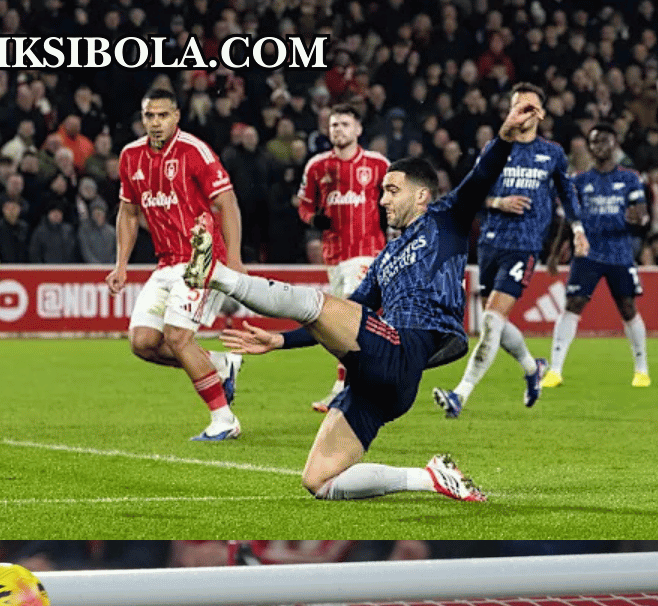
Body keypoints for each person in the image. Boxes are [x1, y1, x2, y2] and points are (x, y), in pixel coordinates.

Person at [199, 96, 543, 502]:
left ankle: (218, 274)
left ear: (421, 196)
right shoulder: (387, 257)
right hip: (380, 379)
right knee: (319, 481)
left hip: (404, 350)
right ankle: (428, 477)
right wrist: (281, 341)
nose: (382, 200)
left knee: (318, 303)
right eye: (381, 192)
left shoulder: (446, 220)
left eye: (392, 191)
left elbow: (482, 175)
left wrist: (504, 134)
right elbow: (349, 314)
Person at [432, 82, 588, 419]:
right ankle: (533, 369)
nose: (523, 113)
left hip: (524, 246)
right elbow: (472, 194)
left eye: (531, 107)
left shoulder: (552, 153)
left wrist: (577, 230)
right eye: (518, 106)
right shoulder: (496, 147)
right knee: (496, 323)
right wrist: (498, 202)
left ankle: (460, 394)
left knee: (491, 321)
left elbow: (567, 193)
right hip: (490, 244)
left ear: (541, 113)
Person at [108, 86, 246, 443]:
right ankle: (220, 364)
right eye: (149, 116)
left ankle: (223, 419)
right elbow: (127, 211)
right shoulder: (130, 156)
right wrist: (120, 264)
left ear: (176, 117)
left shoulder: (194, 151)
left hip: (202, 257)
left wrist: (233, 259)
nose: (155, 123)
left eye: (163, 115)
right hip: (166, 262)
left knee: (178, 337)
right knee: (142, 342)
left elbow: (227, 203)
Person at [543, 122, 651, 388]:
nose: (597, 147)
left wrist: (640, 218)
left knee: (627, 308)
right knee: (573, 304)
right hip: (587, 252)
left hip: (619, 252)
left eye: (602, 141)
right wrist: (555, 253)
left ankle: (641, 370)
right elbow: (567, 219)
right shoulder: (579, 180)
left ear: (614, 143)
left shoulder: (629, 178)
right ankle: (555, 371)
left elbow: (642, 213)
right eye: (593, 142)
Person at [295, 104, 388, 412]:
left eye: (345, 124)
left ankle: (343, 389)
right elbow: (304, 205)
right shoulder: (317, 166)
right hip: (333, 255)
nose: (339, 130)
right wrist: (313, 220)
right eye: (334, 125)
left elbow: (396, 198)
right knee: (340, 326)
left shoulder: (377, 165)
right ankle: (371, 380)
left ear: (358, 130)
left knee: (349, 319)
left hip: (366, 253)